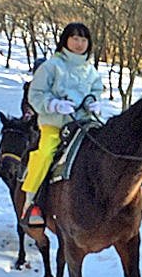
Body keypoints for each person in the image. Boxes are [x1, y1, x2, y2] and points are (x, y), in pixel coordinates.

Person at [21, 22, 103, 226]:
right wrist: (54, 105)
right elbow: (35, 94)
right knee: (46, 153)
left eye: (84, 39)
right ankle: (32, 202)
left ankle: (139, 187)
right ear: (65, 40)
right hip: (55, 125)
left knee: (111, 145)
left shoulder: (90, 70)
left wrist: (94, 102)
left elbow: (96, 90)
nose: (79, 43)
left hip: (85, 124)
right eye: (75, 38)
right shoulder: (51, 66)